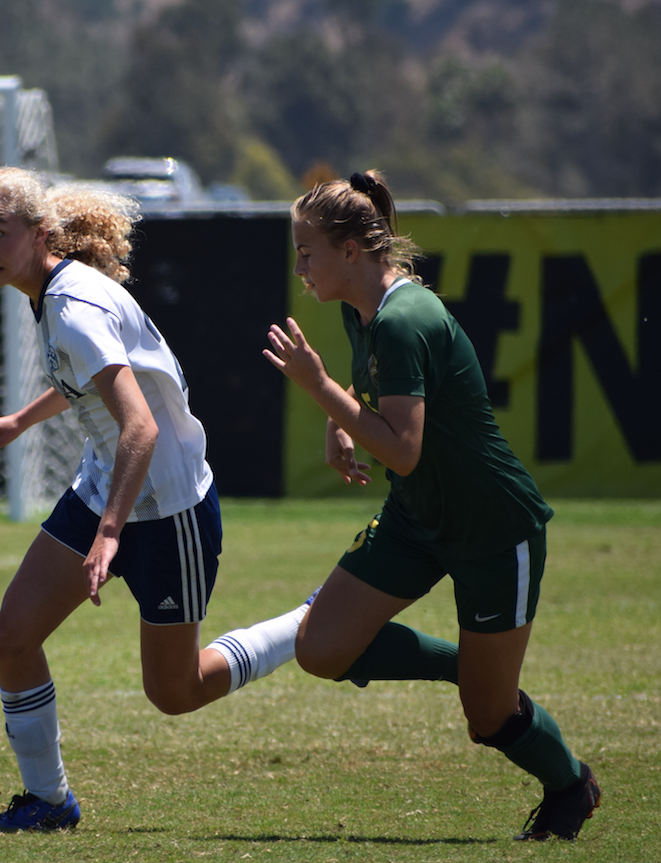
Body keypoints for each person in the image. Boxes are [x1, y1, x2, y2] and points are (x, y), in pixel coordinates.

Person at [0, 166, 315, 832]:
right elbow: (90, 383)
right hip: (108, 484)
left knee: (174, 691)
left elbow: (141, 426)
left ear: (40, 233)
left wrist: (108, 536)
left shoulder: (72, 304)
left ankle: (307, 624)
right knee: (12, 635)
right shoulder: (53, 291)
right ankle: (48, 800)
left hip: (168, 505)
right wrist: (19, 422)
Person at [263, 170, 601, 842]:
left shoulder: (405, 317)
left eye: (308, 252)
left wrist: (322, 389)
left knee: (489, 718)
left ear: (351, 251)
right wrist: (344, 414)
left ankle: (570, 783)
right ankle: (466, 662)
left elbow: (405, 448)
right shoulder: (357, 306)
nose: (299, 266)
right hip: (418, 518)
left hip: (492, 528)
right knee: (320, 648)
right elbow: (381, 405)